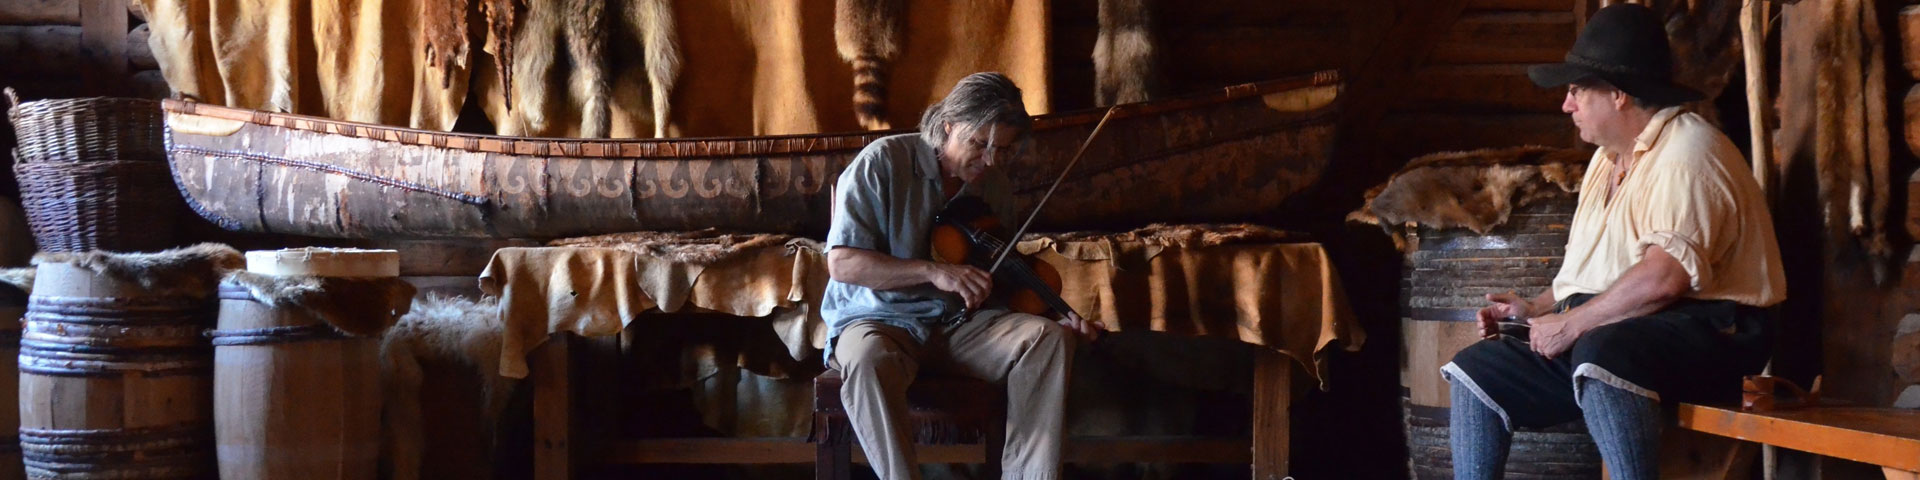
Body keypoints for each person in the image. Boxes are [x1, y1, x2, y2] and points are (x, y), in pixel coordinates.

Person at [1440, 4, 1786, 479]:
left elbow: (1665, 277)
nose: (1567, 104)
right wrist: (1538, 308)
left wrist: (1572, 324)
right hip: (1636, 326)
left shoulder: (1688, 152)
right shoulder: (1608, 159)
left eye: (1577, 90)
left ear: (1619, 95)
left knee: (1604, 350)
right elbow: (1599, 274)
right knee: (1478, 369)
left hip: (1718, 331)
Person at [821, 72, 1105, 480]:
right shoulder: (882, 162)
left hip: (959, 326)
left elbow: (996, 282)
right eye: (979, 145)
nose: (989, 161)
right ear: (949, 123)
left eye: (1001, 150)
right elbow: (843, 264)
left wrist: (1052, 316)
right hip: (879, 320)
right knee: (867, 361)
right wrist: (934, 272)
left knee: (1049, 341)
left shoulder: (994, 188)